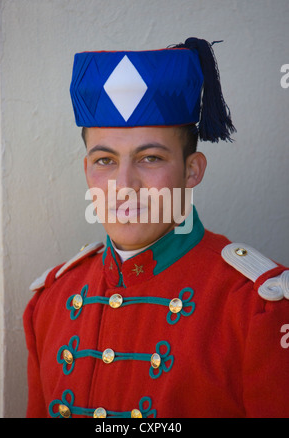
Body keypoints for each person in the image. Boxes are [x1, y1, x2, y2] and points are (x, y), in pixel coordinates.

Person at [23, 38, 289, 418]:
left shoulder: (258, 307)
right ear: (87, 172)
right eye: (105, 160)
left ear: (192, 170)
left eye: (150, 158)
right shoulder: (49, 302)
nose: (125, 184)